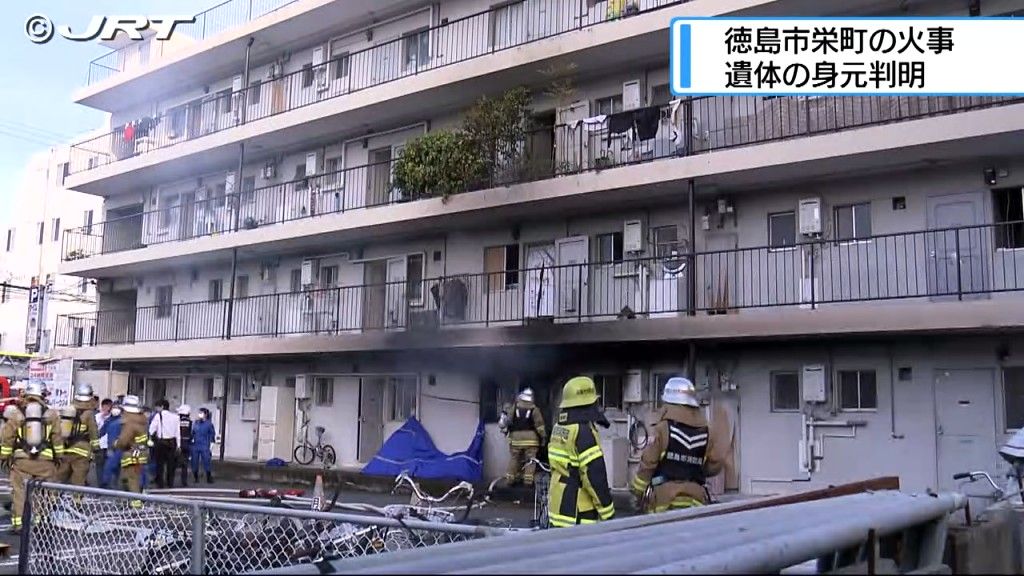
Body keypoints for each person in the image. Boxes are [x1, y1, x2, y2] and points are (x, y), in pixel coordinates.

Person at [630, 377, 728, 513]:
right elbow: (715, 464)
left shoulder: (662, 429)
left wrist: (637, 492)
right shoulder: (707, 432)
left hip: (664, 501)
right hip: (696, 499)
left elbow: (648, 464)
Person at [547, 376, 615, 528]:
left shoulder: (559, 426)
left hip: (558, 506)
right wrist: (607, 511)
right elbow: (593, 475)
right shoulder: (582, 431)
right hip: (579, 511)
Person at [0, 382, 63, 533]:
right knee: (43, 493)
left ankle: (19, 524)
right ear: (42, 395)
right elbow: (58, 438)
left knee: (19, 492)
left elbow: (7, 438)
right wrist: (58, 458)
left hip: (22, 461)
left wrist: (4, 457)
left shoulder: (17, 414)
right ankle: (39, 522)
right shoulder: (52, 414)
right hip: (46, 462)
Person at [501, 388, 546, 487]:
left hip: (516, 439)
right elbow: (540, 426)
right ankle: (528, 482)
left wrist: (507, 432)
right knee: (530, 460)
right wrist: (543, 437)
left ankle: (510, 480)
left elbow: (508, 421)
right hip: (531, 440)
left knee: (515, 458)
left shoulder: (514, 407)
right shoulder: (535, 409)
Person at [57, 384, 100, 486]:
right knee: (78, 480)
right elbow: (93, 432)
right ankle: (76, 501)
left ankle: (53, 499)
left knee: (59, 478)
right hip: (81, 451)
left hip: (66, 449)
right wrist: (96, 448)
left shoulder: (69, 410)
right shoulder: (89, 413)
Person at [114, 395, 150, 497]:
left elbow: (124, 441)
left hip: (132, 455)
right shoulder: (141, 421)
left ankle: (135, 504)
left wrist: (116, 443)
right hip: (140, 454)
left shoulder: (130, 423)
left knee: (132, 479)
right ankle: (130, 500)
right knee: (130, 478)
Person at [148, 399, 180, 488]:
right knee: (171, 464)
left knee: (160, 464)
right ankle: (170, 483)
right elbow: (178, 432)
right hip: (172, 442)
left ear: (162, 407)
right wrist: (179, 444)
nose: (156, 409)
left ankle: (160, 483)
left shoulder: (158, 416)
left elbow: (151, 429)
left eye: (157, 407)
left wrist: (150, 437)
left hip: (161, 442)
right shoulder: (175, 417)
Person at [98, 402, 123, 490]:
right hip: (111, 447)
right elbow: (101, 432)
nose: (115, 410)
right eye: (114, 407)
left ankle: (112, 484)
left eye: (117, 408)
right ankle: (107, 483)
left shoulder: (123, 421)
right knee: (110, 466)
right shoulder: (109, 421)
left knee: (115, 467)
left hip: (121, 447)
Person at [191, 407, 215, 484]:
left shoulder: (209, 424)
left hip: (205, 445)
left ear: (205, 414)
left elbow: (212, 435)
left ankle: (209, 477)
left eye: (201, 413)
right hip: (195, 445)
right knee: (194, 461)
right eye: (199, 413)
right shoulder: (196, 423)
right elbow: (192, 433)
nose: (199, 415)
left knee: (206, 461)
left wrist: (211, 446)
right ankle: (195, 477)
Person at [94, 398, 113, 486]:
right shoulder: (97, 417)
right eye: (104, 407)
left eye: (108, 407)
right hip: (99, 444)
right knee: (99, 465)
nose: (105, 409)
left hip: (109, 445)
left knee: (108, 465)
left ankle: (107, 482)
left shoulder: (113, 418)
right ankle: (100, 484)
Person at [175, 404, 193, 487]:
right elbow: (192, 434)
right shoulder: (190, 422)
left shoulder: (177, 421)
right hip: (187, 444)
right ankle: (184, 481)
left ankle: (170, 481)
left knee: (173, 462)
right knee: (185, 464)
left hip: (178, 444)